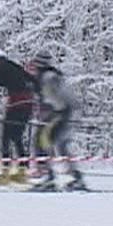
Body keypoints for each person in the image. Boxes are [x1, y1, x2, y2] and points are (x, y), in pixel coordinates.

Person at [29, 50, 87, 191]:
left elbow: (54, 97)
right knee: (59, 145)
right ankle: (75, 177)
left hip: (58, 113)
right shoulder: (49, 75)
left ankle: (48, 178)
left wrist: (46, 109)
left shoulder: (48, 77)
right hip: (60, 112)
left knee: (41, 141)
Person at [0, 48, 36, 184]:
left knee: (6, 136)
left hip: (16, 105)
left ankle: (5, 171)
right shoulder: (15, 66)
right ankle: (23, 170)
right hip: (28, 104)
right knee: (16, 136)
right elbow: (33, 80)